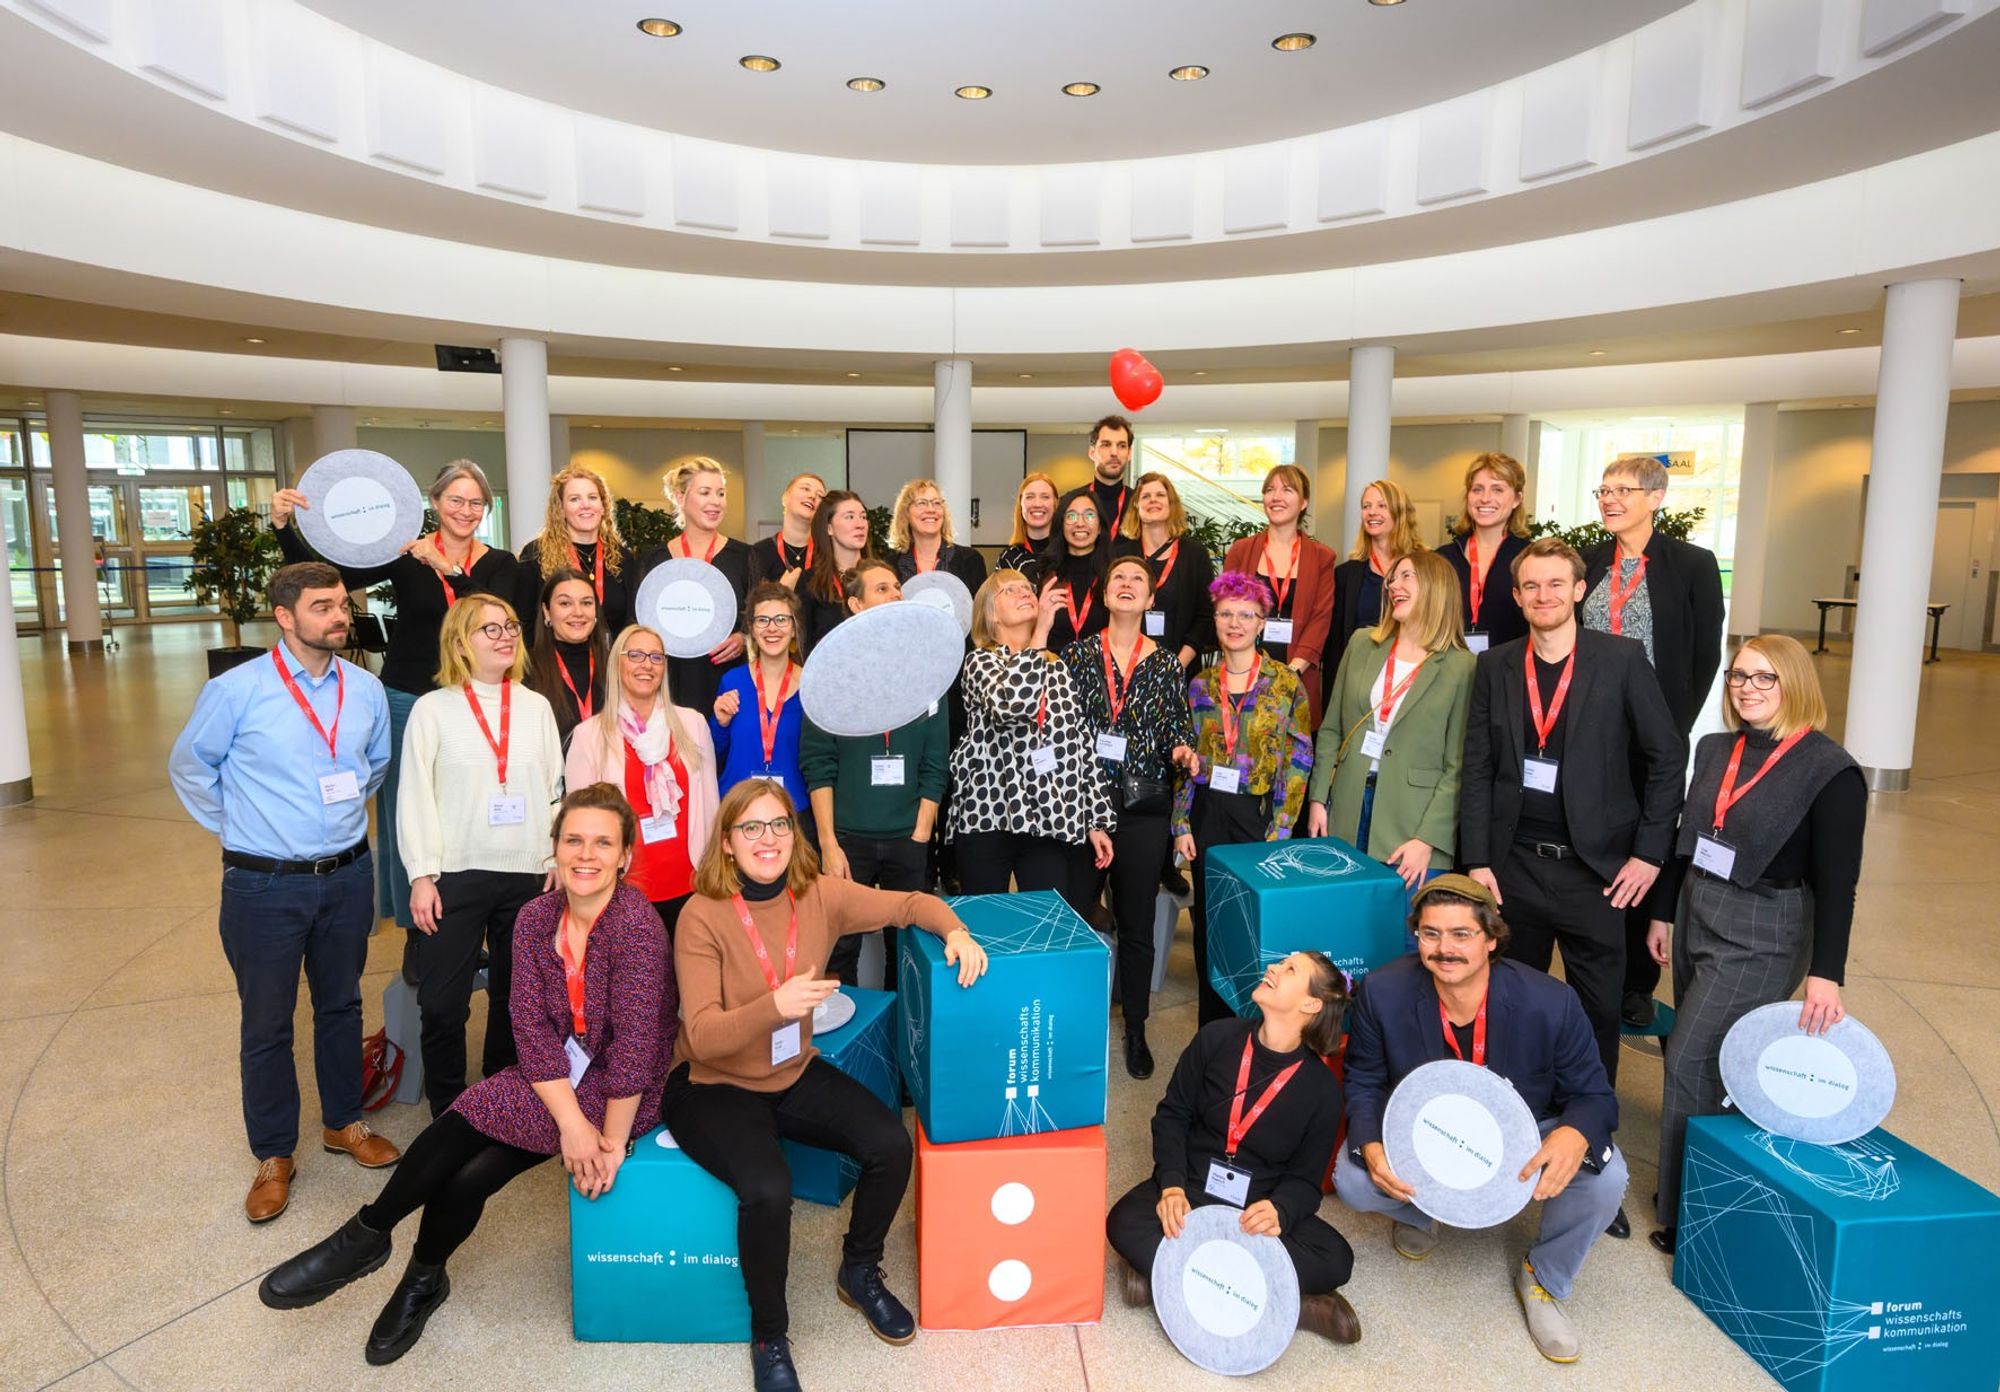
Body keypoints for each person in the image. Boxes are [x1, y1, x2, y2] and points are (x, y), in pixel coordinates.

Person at [257, 784, 674, 1366]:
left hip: (616, 1093)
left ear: (625, 855)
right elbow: (528, 1030)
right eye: (573, 839)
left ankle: (370, 1237)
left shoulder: (637, 928)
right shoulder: (534, 918)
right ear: (552, 848)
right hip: (553, 1074)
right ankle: (418, 1275)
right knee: (469, 1149)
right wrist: (567, 1124)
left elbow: (632, 1053)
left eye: (603, 842)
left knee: (468, 1151)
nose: (586, 854)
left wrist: (600, 1138)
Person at [664, 781, 990, 1392]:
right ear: (728, 844)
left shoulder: (817, 895)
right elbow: (704, 1037)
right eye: (752, 828)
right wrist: (776, 1003)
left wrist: (955, 933)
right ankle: (769, 1334)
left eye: (780, 825)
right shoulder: (701, 914)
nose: (769, 839)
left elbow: (910, 904)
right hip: (713, 1084)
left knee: (891, 1144)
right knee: (768, 1188)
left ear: (796, 833)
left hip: (791, 1071)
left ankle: (859, 1270)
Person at [169, 561, 402, 1222]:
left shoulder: (363, 689)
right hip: (263, 884)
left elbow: (373, 766)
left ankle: (343, 1123)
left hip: (348, 874)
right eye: (324, 606)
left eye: (341, 604)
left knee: (339, 1006)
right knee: (267, 1024)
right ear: (285, 616)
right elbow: (191, 767)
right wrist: (242, 827)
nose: (340, 615)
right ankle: (273, 1154)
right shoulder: (238, 690)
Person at [1336, 876, 1627, 1365]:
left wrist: (1575, 1133)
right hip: (1430, 1127)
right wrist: (1369, 1143)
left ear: (1492, 939)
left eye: (1461, 934)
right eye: (1430, 934)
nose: (1444, 949)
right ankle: (1423, 1212)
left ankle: (1543, 1277)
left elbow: (1594, 1095)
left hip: (1524, 1128)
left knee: (1608, 1178)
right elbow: (1363, 1078)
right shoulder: (1383, 991)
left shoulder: (1551, 1001)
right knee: (1353, 1179)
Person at [1644, 637, 1865, 1255]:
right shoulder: (1717, 748)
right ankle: (1707, 1190)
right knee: (1711, 1061)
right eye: (1738, 676)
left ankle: (1691, 1213)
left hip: (1766, 926)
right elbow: (1684, 839)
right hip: (1698, 903)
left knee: (1691, 1060)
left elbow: (1839, 882)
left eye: (1764, 679)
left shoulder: (1829, 769)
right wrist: (1663, 913)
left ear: (1794, 684)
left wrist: (1827, 973)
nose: (1747, 689)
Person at [1457, 538, 1685, 1092]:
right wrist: (1479, 860)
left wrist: (1649, 854)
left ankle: (1589, 1123)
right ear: (1516, 595)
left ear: (1580, 590)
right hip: (1514, 867)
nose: (1544, 595)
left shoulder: (1621, 660)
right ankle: (1520, 1109)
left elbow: (1667, 758)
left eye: (1557, 583)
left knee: (1596, 1010)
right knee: (1514, 1003)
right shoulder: (1496, 665)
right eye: (1531, 585)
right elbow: (1478, 766)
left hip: (1597, 873)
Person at [272, 460, 519, 930]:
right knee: (406, 808)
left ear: (486, 507)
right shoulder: (405, 555)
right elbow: (328, 576)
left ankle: (472, 914)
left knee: (470, 803)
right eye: (455, 500)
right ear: (434, 502)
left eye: (475, 502)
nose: (465, 511)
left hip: (477, 700)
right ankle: (416, 927)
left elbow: (496, 613)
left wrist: (447, 569)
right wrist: (284, 528)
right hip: (409, 696)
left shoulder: (500, 564)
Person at [1109, 951, 1360, 1345]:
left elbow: (1305, 1182)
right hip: (1192, 1188)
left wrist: (1280, 1210)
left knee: (1336, 1259)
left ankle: (1166, 1280)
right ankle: (1285, 1302)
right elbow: (1172, 1116)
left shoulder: (1321, 1090)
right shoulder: (1217, 1038)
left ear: (1311, 1004)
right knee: (1123, 1222)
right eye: (1279, 963)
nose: (1272, 968)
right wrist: (1172, 1185)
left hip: (1255, 1209)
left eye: (1290, 969)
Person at [397, 595, 565, 1117]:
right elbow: (414, 795)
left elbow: (556, 787)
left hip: (528, 872)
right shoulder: (433, 709)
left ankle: (502, 1088)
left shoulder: (535, 706)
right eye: (489, 629)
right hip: (456, 873)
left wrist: (555, 856)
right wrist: (422, 875)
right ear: (459, 642)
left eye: (510, 626)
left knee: (516, 1000)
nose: (505, 636)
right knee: (443, 1003)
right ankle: (448, 1106)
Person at [1579, 454, 1727, 1031]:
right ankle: (1593, 956)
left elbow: (1704, 654)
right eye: (1604, 489)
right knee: (1592, 833)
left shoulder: (1690, 564)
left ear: (1656, 497)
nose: (1610, 499)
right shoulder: (1589, 563)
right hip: (1587, 729)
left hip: (1653, 730)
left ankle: (1637, 982)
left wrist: (1669, 727)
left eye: (1623, 490)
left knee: (1648, 842)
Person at [1063, 556, 1196, 1078]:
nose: (1126, 585)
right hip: (1081, 806)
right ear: (1104, 593)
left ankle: (1136, 1027)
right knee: (1073, 918)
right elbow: (1062, 732)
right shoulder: (1073, 657)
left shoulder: (1164, 664)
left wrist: (1184, 751)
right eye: (1118, 577)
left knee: (1138, 924)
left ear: (1150, 599)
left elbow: (1176, 730)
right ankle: (1070, 1020)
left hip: (1142, 809)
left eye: (1136, 580)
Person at [1173, 573, 1314, 1027]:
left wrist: (1283, 825)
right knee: (1210, 925)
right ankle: (1212, 1029)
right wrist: (1181, 824)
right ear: (1214, 620)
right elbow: (1184, 758)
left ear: (1261, 623)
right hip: (1208, 809)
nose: (1235, 623)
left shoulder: (1284, 682)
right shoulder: (1198, 685)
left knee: (1255, 921)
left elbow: (1299, 756)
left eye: (1245, 615)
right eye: (1226, 614)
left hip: (1259, 816)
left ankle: (1258, 1026)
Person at [802, 559, 949, 987]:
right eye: (882, 589)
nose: (896, 595)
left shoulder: (927, 672)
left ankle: (905, 1042)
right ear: (855, 604)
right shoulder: (831, 673)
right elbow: (818, 762)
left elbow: (936, 759)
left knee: (907, 950)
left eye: (898, 587)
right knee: (840, 948)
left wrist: (922, 829)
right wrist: (828, 843)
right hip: (848, 839)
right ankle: (844, 1052)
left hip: (908, 837)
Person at [950, 569, 1116, 920]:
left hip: (1046, 816)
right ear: (991, 613)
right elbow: (1011, 706)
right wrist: (1040, 632)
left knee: (1048, 927)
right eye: (1010, 590)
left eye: (1027, 587)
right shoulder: (979, 661)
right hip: (988, 817)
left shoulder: (1056, 668)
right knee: (984, 929)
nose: (1025, 593)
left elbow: (1079, 744)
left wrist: (1095, 819)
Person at [1305, 551, 1475, 887]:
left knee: (1405, 935)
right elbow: (1331, 730)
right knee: (1345, 927)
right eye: (1392, 579)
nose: (1393, 585)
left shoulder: (1462, 666)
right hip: (1347, 809)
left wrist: (1428, 839)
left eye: (1406, 576)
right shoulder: (1361, 643)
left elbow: (1458, 766)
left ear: (1436, 587)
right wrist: (1318, 798)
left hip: (1412, 826)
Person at [564, 624, 719, 937]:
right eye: (634, 655)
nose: (646, 664)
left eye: (655, 657)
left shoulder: (693, 725)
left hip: (691, 888)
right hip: (621, 891)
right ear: (616, 663)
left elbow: (711, 807)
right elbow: (580, 826)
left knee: (688, 984)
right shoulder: (589, 736)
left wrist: (714, 873)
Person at [634, 457, 752, 720]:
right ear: (679, 497)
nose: (716, 501)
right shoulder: (654, 561)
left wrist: (743, 638)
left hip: (726, 684)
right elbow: (636, 624)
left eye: (721, 493)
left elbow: (759, 616)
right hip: (668, 681)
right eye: (705, 492)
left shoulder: (744, 557)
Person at [1221, 464, 1336, 728]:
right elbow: (1226, 612)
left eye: (1287, 490)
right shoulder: (1241, 551)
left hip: (1297, 677)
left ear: (1304, 501)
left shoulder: (1322, 557)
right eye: (1270, 490)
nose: (1276, 497)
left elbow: (1320, 619)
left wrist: (1288, 673)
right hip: (1243, 673)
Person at [711, 583, 810, 820]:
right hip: (739, 811)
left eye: (781, 620)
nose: (772, 628)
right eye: (762, 620)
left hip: (793, 813)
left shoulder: (810, 686)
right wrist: (719, 723)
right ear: (752, 630)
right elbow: (712, 753)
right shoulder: (732, 681)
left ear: (794, 628)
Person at [1114, 470, 1216, 672]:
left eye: (1160, 495)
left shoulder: (1194, 554)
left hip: (1181, 667)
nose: (1153, 500)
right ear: (1136, 505)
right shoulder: (1121, 555)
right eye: (1145, 496)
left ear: (1171, 503)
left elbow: (1205, 616)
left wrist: (1177, 666)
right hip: (1129, 666)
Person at [515, 464, 631, 640]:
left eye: (592, 497)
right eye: (575, 499)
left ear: (603, 506)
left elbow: (631, 623)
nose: (585, 505)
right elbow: (525, 622)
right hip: (554, 663)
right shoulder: (536, 555)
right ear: (560, 509)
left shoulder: (622, 558)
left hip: (610, 663)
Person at [1326, 478, 1427, 677]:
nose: (1372, 512)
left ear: (1399, 512)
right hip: (1359, 674)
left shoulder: (1425, 567)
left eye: (1382, 506)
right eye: (1366, 506)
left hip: (1410, 674)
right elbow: (1335, 645)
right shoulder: (1346, 574)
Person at [1440, 452, 1531, 654]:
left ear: (1517, 499)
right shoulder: (1443, 558)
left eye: (1497, 490)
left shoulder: (1530, 558)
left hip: (1510, 672)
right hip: (1450, 671)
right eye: (1477, 489)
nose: (1485, 498)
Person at [522, 568, 608, 750]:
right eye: (565, 604)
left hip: (609, 775)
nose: (578, 612)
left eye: (586, 603)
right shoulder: (525, 669)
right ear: (546, 611)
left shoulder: (615, 665)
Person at [799, 489, 873, 654]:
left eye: (863, 516)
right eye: (849, 517)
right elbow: (804, 644)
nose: (860, 524)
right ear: (829, 528)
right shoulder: (810, 581)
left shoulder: (881, 576)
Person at [1039, 485, 1111, 651]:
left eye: (1089, 515)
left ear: (1100, 526)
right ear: (1061, 524)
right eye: (1071, 516)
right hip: (1053, 670)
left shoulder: (1114, 576)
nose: (1080, 523)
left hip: (1102, 671)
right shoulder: (1042, 573)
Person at [886, 477, 989, 594]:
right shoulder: (891, 566)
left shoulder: (970, 560)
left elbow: (982, 610)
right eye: (922, 503)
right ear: (906, 514)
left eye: (936, 503)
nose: (931, 509)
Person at [749, 472, 828, 590]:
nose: (812, 496)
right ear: (785, 498)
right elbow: (752, 604)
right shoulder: (759, 552)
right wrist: (780, 591)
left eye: (820, 495)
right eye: (805, 489)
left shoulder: (826, 553)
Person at [995, 471, 1061, 585]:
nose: (1037, 504)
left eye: (1045, 497)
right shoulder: (1009, 558)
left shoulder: (1068, 552)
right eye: (1030, 497)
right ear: (1021, 504)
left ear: (1055, 503)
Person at [1086, 413, 1137, 536]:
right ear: (1092, 452)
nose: (1114, 452)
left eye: (1121, 446)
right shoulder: (1071, 502)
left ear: (1129, 454)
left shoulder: (1139, 504)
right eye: (1106, 445)